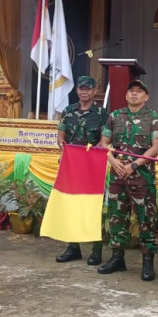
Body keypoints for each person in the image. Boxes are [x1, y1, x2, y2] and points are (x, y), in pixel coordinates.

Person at [97, 80, 158, 280]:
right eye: (131, 91)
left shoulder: (153, 118)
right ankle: (117, 258)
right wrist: (112, 160)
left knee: (146, 220)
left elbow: (156, 147)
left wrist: (133, 165)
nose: (134, 94)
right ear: (126, 95)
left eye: (139, 91)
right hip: (117, 176)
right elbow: (104, 143)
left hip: (141, 178)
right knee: (116, 218)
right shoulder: (115, 116)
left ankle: (147, 262)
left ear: (146, 96)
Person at [54, 76, 108, 265]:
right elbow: (61, 136)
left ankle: (96, 250)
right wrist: (63, 146)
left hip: (92, 167)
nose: (84, 92)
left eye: (88, 89)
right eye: (81, 88)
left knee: (93, 207)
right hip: (71, 166)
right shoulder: (68, 111)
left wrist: (92, 154)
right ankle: (73, 247)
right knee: (71, 205)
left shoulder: (101, 113)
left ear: (94, 91)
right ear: (76, 90)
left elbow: (104, 140)